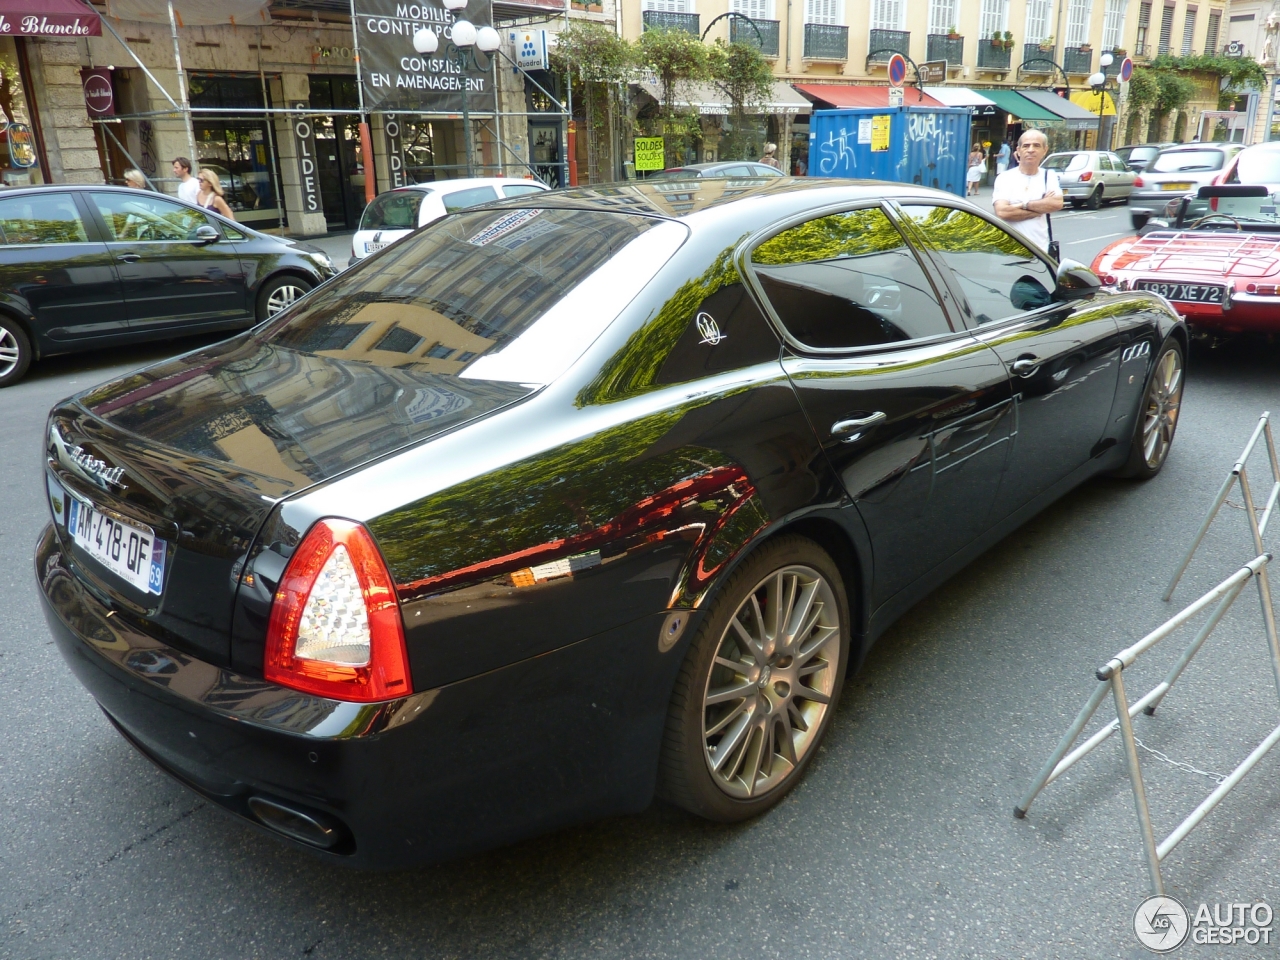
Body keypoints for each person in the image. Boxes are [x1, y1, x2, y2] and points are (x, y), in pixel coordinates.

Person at [992, 129, 1063, 252]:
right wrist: (1040, 209)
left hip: (1040, 252)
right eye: (1026, 146)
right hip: (1009, 252)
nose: (1031, 150)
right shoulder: (1005, 178)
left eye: (1036, 145)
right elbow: (1003, 212)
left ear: (1044, 150)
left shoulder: (1049, 176)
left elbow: (1056, 204)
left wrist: (1022, 205)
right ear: (1018, 150)